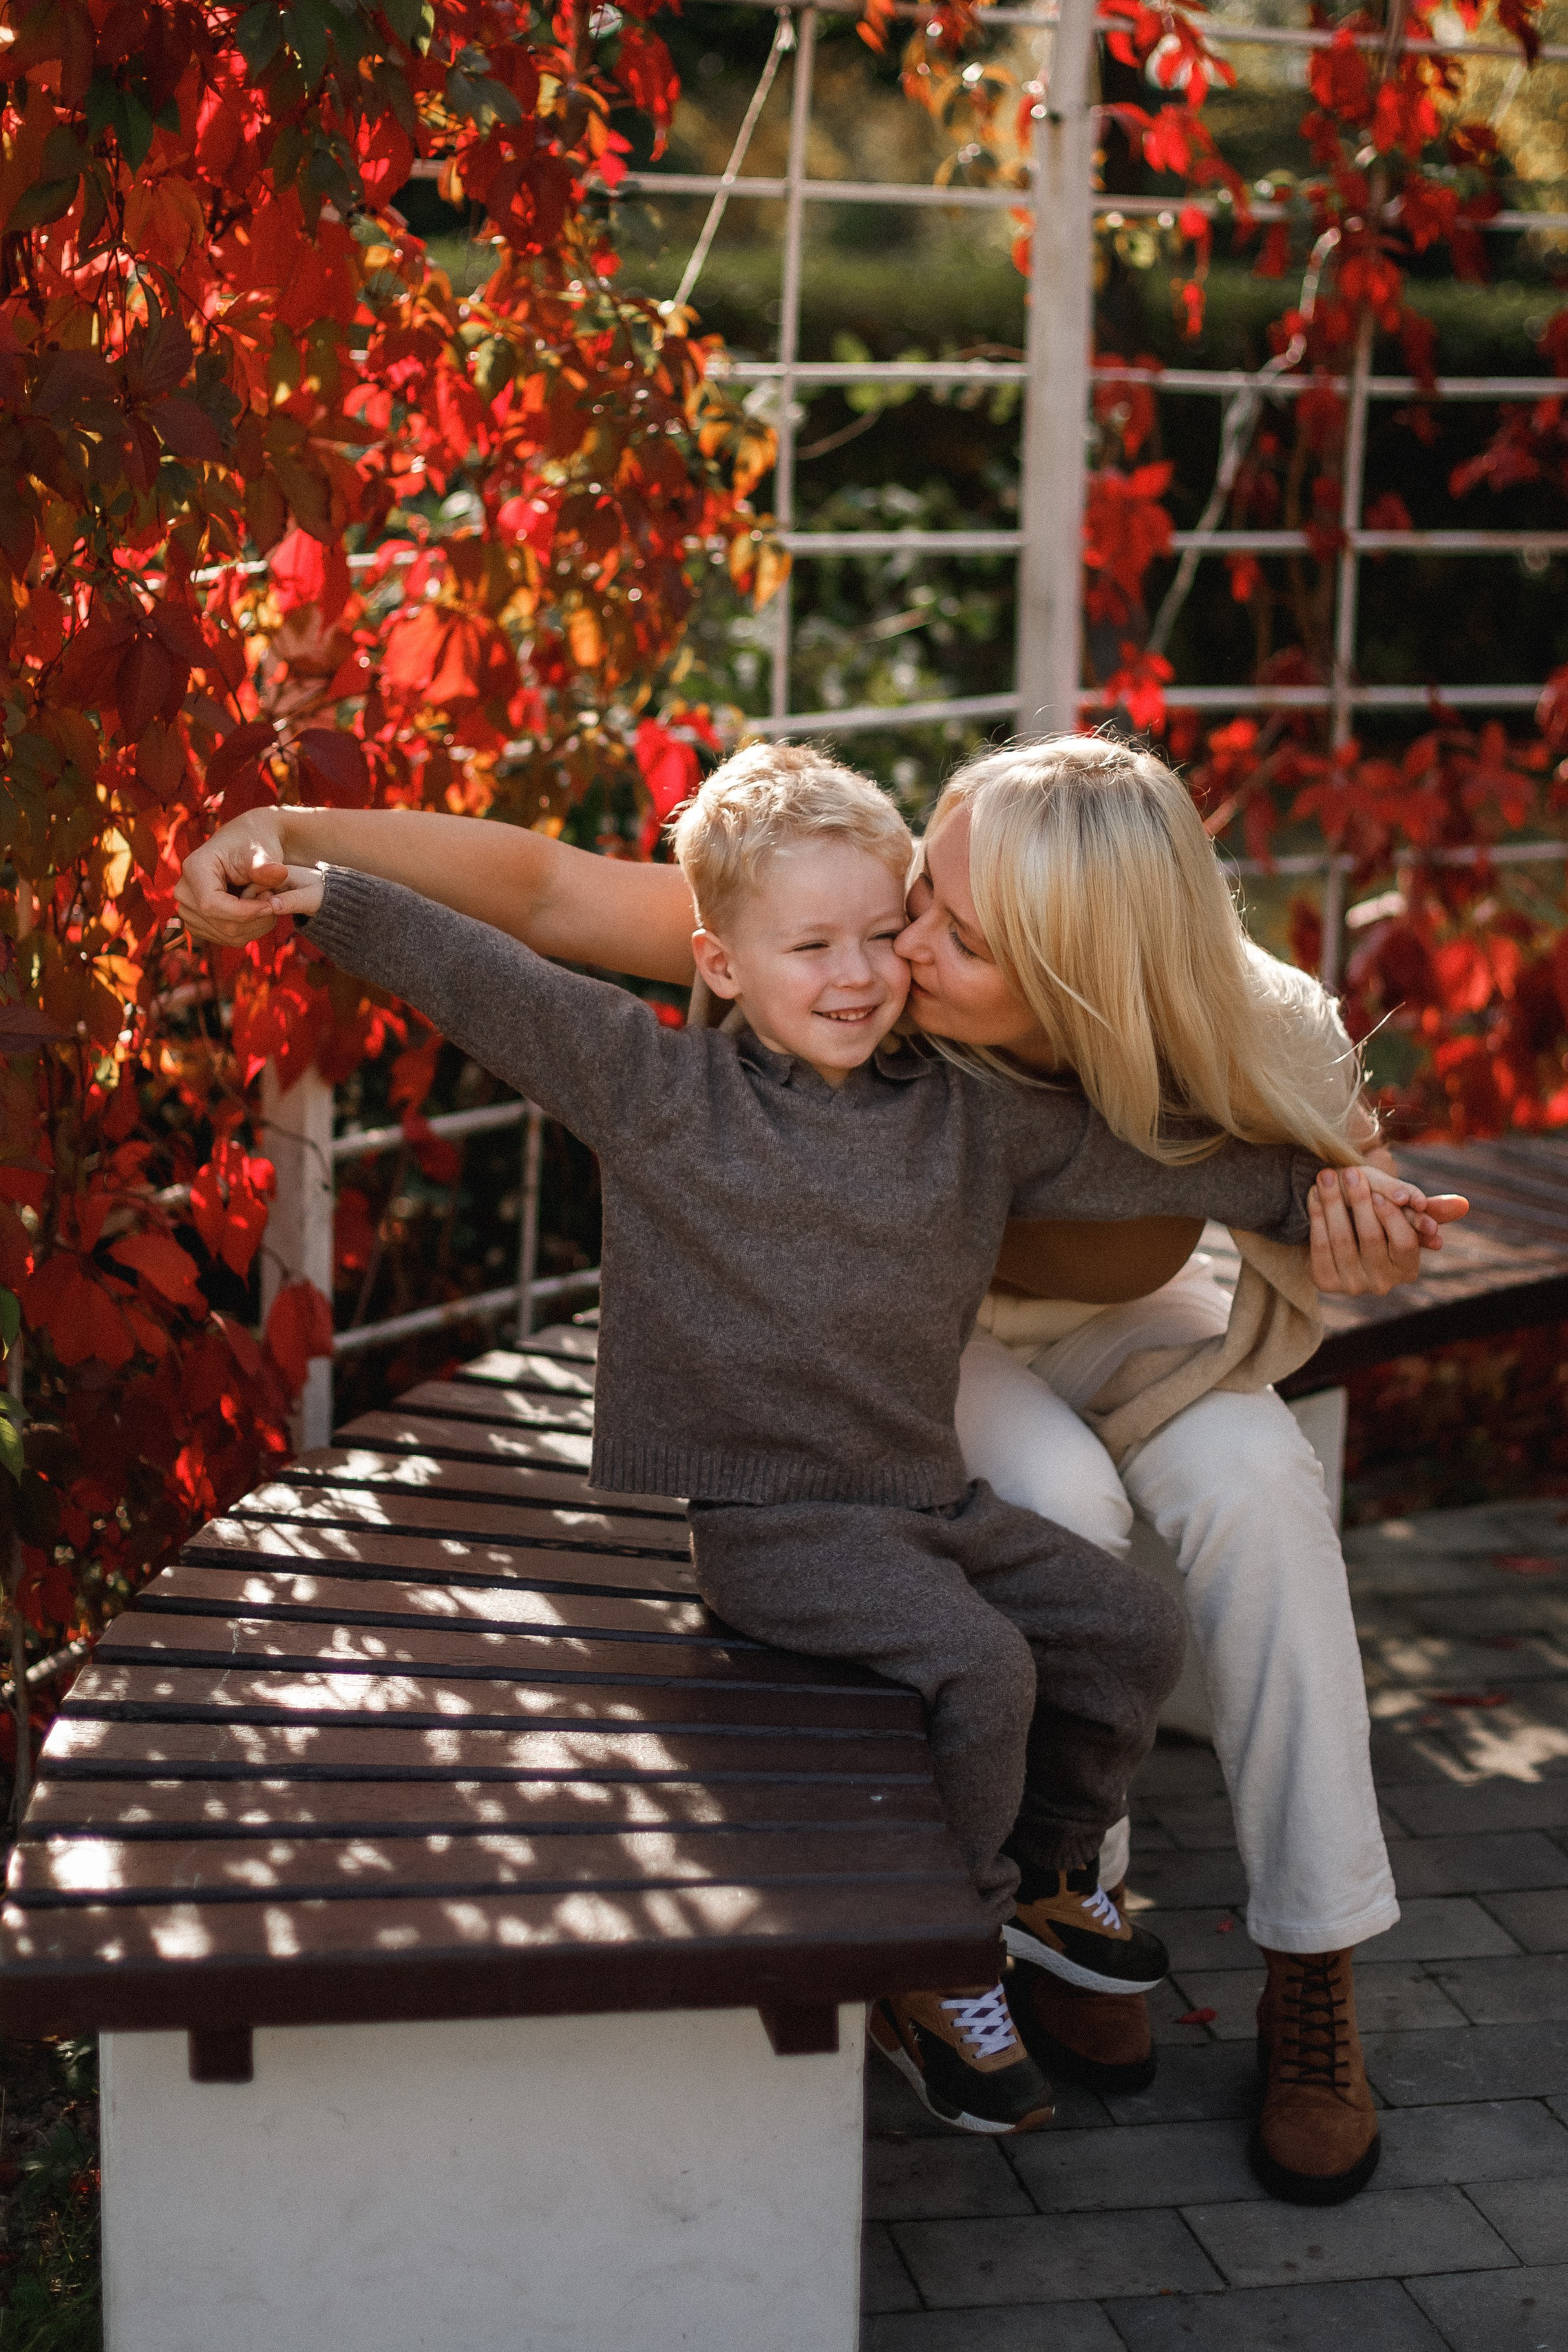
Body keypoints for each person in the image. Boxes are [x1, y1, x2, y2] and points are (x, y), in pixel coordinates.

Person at [176, 730, 1465, 2206]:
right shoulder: (776, 962)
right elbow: (514, 933)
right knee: (1031, 1572)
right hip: (883, 1392)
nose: (891, 950)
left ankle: (1236, 1940)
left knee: (1208, 1537)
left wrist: (1331, 1205)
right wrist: (301, 859)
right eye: (909, 895)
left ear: (1068, 963)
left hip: (1046, 1354)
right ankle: (978, 1941)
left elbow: (1224, 1176)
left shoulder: (1146, 1051)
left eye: (935, 928)